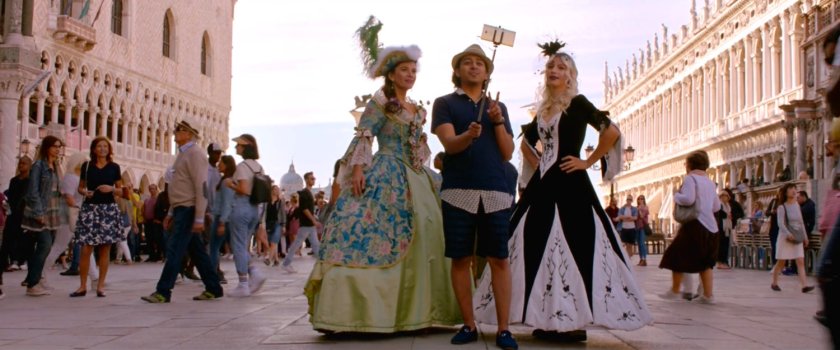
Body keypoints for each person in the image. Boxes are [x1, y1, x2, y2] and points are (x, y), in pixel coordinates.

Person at [473, 44, 651, 344]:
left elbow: (611, 131)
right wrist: (538, 163)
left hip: (572, 186)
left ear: (570, 76)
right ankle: (545, 318)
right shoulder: (543, 110)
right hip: (543, 187)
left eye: (561, 68)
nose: (554, 71)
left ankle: (573, 320)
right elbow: (526, 144)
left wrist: (587, 162)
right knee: (535, 244)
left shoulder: (578, 104)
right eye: (550, 68)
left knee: (575, 244)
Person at [305, 26, 458, 333]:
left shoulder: (417, 108)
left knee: (429, 229)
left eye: (413, 70)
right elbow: (366, 135)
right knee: (373, 236)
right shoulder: (379, 103)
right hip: (387, 171)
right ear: (392, 74)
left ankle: (423, 312)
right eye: (404, 70)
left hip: (416, 175)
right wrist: (359, 169)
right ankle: (357, 313)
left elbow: (420, 149)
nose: (410, 74)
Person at [431, 43, 519, 349]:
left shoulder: (499, 108)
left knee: (499, 259)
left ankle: (504, 329)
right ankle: (468, 324)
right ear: (457, 71)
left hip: (495, 189)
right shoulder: (444, 104)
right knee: (461, 259)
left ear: (487, 72)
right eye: (466, 63)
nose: (473, 66)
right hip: (458, 191)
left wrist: (496, 121)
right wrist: (468, 134)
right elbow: (449, 144)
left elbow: (507, 153)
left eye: (479, 63)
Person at [140, 121, 223, 303]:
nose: (175, 133)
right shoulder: (183, 154)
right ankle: (213, 287)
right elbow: (180, 187)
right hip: (181, 208)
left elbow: (200, 186)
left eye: (179, 131)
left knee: (175, 249)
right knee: (196, 251)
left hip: (189, 209)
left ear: (189, 134)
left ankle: (163, 291)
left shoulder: (195, 154)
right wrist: (170, 212)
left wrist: (200, 216)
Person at [659, 150, 721, 304]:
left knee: (675, 255)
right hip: (711, 227)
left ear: (690, 164)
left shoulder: (690, 179)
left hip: (695, 225)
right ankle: (708, 295)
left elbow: (688, 199)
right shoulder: (710, 182)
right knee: (706, 262)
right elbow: (716, 206)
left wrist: (675, 195)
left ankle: (675, 290)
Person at [72, 137, 127, 298]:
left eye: (105, 146)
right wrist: (85, 192)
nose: (102, 149)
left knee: (105, 249)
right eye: (99, 146)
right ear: (94, 149)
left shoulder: (114, 167)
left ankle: (100, 286)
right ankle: (82, 286)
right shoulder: (87, 166)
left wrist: (111, 188)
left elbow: (121, 190)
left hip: (108, 209)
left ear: (109, 150)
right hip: (90, 209)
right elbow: (81, 187)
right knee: (85, 249)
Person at [20, 135, 67, 296]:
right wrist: (39, 212)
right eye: (55, 146)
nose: (58, 149)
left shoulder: (55, 166)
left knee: (44, 247)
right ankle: (32, 283)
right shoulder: (39, 166)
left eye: (59, 147)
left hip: (53, 213)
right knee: (45, 245)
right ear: (47, 147)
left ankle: (35, 279)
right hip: (41, 212)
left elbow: (59, 190)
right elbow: (33, 191)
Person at [224, 133, 267, 297]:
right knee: (243, 244)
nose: (236, 147)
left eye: (239, 145)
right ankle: (254, 273)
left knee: (238, 246)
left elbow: (243, 189)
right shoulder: (258, 167)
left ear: (245, 147)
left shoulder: (242, 167)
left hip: (242, 207)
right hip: (254, 209)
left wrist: (230, 184)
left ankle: (244, 282)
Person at [770, 183, 815, 294]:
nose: (794, 191)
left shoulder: (797, 205)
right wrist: (787, 233)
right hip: (785, 237)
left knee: (800, 260)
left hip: (797, 235)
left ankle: (804, 285)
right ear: (785, 192)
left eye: (795, 188)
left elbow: (801, 222)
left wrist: (805, 236)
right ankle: (774, 282)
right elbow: (780, 224)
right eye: (791, 189)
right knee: (781, 262)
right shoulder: (781, 207)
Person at [0, 156, 32, 296]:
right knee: (5, 247)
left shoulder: (30, 181)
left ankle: (31, 276)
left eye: (24, 163)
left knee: (28, 247)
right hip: (13, 217)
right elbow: (11, 198)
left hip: (25, 218)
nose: (21, 165)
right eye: (20, 163)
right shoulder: (14, 180)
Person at [281, 172, 319, 273]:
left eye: (314, 178)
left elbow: (309, 209)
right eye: (312, 178)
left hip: (309, 225)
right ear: (306, 180)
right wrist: (313, 220)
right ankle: (286, 263)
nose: (314, 180)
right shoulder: (304, 193)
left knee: (315, 245)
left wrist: (314, 218)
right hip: (306, 224)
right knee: (297, 244)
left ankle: (321, 265)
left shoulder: (309, 193)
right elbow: (305, 209)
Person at [209, 155, 235, 282]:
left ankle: (213, 275)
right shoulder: (224, 180)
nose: (219, 165)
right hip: (223, 217)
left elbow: (227, 203)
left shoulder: (226, 182)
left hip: (223, 218)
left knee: (213, 248)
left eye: (221, 163)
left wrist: (222, 222)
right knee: (235, 247)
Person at [264, 185, 285, 267]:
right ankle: (276, 260)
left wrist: (283, 225)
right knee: (273, 242)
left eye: (277, 189)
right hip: (268, 222)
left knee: (274, 241)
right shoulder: (267, 201)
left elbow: (283, 213)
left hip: (277, 223)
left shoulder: (280, 201)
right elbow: (264, 212)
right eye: (274, 189)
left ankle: (269, 259)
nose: (275, 191)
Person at [142, 184, 163, 262]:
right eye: (150, 189)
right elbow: (144, 209)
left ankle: (158, 255)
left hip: (155, 221)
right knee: (149, 239)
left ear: (156, 189)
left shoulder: (158, 199)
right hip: (148, 221)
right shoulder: (147, 199)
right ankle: (151, 256)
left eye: (153, 189)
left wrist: (158, 219)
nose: (151, 190)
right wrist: (144, 218)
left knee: (157, 239)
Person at [617, 195, 638, 259]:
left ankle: (629, 256)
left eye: (630, 199)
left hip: (631, 228)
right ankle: (628, 257)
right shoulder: (622, 208)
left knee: (630, 244)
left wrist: (625, 218)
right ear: (626, 200)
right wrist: (628, 218)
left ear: (632, 201)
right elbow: (620, 216)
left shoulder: (634, 209)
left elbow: (635, 218)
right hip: (624, 228)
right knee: (625, 243)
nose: (629, 201)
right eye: (628, 199)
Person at [636, 195, 650, 266]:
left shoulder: (645, 208)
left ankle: (644, 259)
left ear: (644, 200)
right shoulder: (636, 208)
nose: (640, 200)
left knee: (642, 243)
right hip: (637, 227)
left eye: (642, 199)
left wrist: (639, 210)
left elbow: (641, 216)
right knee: (639, 244)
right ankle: (641, 259)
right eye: (639, 199)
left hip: (643, 227)